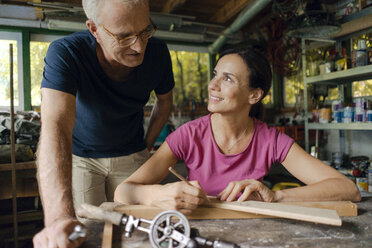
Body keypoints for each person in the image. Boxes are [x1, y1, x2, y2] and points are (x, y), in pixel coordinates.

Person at [114, 47, 361, 215]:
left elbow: (348, 189)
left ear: (254, 95)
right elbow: (122, 192)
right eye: (215, 75)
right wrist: (157, 194)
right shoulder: (189, 135)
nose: (213, 85)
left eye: (228, 79)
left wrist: (275, 197)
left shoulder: (270, 140)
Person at [33, 0, 174, 246]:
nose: (139, 47)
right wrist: (58, 218)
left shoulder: (159, 53)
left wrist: (146, 146)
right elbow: (55, 125)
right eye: (123, 37)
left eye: (145, 31)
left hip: (132, 155)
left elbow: (164, 102)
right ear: (94, 30)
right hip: (83, 160)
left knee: (140, 233)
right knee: (86, 233)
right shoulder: (66, 52)